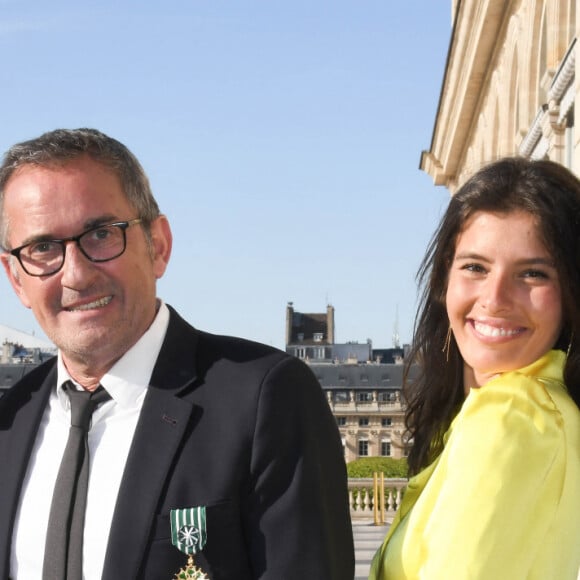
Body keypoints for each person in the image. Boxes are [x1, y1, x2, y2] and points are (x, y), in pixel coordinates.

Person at [0, 128, 354, 580]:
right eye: (43, 247)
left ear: (158, 245)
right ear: (16, 279)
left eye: (101, 234)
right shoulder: (10, 421)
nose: (76, 274)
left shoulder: (266, 399)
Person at [370, 157, 580, 579]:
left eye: (533, 273)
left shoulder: (512, 416)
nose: (496, 297)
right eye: (475, 267)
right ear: (443, 279)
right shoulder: (548, 410)